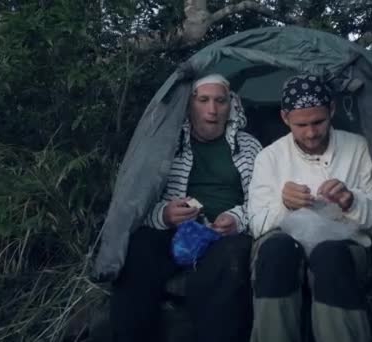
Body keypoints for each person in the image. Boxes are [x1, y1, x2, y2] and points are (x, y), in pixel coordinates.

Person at [109, 74, 262, 342]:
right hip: (175, 232)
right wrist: (165, 214)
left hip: (225, 234)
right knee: (138, 249)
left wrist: (236, 219)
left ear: (232, 106)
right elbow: (139, 198)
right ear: (190, 105)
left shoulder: (248, 146)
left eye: (220, 101)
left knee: (230, 259)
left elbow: (262, 198)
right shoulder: (167, 144)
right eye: (203, 100)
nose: (212, 110)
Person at [248, 74, 372, 342]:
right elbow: (255, 223)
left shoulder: (358, 148)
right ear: (284, 118)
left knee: (330, 257)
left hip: (343, 247)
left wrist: (352, 201)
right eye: (301, 125)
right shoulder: (269, 157)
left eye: (318, 122)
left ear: (332, 110)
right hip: (282, 245)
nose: (311, 133)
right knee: (277, 252)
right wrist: (284, 205)